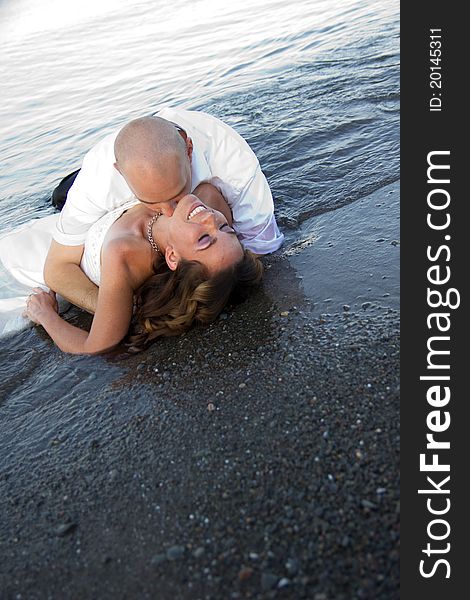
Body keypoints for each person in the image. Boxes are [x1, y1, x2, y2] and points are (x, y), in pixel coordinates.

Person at [45, 107, 284, 314]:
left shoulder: (233, 162)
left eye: (177, 193)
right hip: (85, 191)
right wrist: (119, 308)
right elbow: (57, 268)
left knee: (209, 194)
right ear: (120, 173)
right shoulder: (99, 179)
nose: (170, 212)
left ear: (189, 151)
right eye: (153, 201)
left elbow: (261, 246)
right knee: (58, 197)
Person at [0, 184, 263, 353]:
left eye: (204, 239)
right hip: (66, 225)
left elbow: (95, 345)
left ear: (172, 256)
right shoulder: (207, 203)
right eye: (225, 229)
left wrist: (46, 316)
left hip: (34, 256)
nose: (210, 219)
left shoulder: (123, 254)